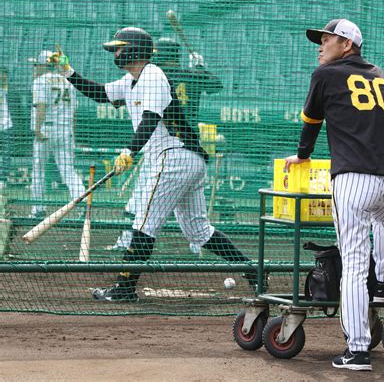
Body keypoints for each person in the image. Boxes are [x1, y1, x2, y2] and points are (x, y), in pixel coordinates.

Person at [50, 27, 259, 301]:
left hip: (173, 157)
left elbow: (150, 118)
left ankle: (125, 289)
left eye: (120, 47)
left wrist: (129, 151)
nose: (116, 52)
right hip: (184, 159)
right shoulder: (132, 80)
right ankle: (253, 271)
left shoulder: (153, 75)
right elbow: (101, 93)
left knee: (145, 222)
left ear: (136, 49)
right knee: (198, 230)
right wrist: (68, 72)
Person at [285, 19, 384, 371]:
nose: (320, 45)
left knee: (354, 264)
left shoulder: (325, 76)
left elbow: (311, 121)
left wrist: (304, 155)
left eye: (326, 40)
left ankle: (357, 351)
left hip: (354, 178)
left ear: (347, 44)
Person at [111, 37, 223, 255]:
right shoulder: (191, 75)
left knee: (142, 204)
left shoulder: (153, 76)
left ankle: (126, 246)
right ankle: (197, 246)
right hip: (188, 146)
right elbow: (216, 85)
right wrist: (201, 68)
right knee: (193, 221)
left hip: (164, 146)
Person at [30, 50, 85, 218]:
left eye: (36, 65)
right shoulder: (68, 80)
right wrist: (72, 133)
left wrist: (38, 129)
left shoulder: (40, 81)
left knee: (38, 170)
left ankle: (38, 210)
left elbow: (41, 106)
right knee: (68, 170)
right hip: (65, 129)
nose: (34, 68)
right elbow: (74, 112)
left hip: (46, 128)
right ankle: (83, 205)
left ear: (44, 65)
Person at [0, 67, 13, 190]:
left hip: (5, 126)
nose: (3, 77)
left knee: (6, 154)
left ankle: (2, 179)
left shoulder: (6, 88)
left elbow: (5, 85)